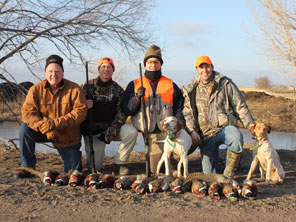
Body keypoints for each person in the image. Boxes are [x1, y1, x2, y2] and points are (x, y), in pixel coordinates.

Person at [182, 56, 255, 177]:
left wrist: (251, 125)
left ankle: (229, 173)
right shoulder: (190, 89)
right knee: (210, 174)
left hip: (225, 129)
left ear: (212, 67)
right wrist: (193, 131)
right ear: (196, 69)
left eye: (207, 67)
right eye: (201, 67)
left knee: (236, 137)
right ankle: (219, 166)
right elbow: (187, 114)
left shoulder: (225, 83)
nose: (205, 70)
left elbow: (240, 106)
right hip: (205, 135)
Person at [16, 54, 88, 177]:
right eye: (50, 71)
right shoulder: (35, 89)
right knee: (24, 129)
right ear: (45, 73)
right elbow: (27, 113)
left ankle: (72, 166)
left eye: (57, 71)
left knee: (74, 173)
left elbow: (80, 113)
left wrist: (55, 124)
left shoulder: (75, 89)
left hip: (67, 136)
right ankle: (27, 166)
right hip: (44, 130)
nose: (53, 74)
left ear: (63, 73)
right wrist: (41, 125)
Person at [121, 45, 185, 175]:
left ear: (161, 65)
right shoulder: (134, 84)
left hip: (169, 132)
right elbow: (127, 110)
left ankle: (172, 160)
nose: (153, 65)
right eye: (149, 62)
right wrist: (137, 98)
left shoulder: (171, 84)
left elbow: (179, 108)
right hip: (149, 132)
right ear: (145, 65)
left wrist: (180, 125)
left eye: (156, 62)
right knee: (154, 168)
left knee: (180, 154)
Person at [81, 57, 138, 175]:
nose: (106, 69)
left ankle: (119, 163)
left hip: (110, 128)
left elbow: (121, 114)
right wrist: (84, 105)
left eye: (109, 67)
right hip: (93, 131)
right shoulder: (86, 86)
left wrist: (110, 132)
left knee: (131, 132)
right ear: (98, 70)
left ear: (113, 70)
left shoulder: (118, 89)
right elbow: (76, 108)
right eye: (103, 66)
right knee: (94, 167)